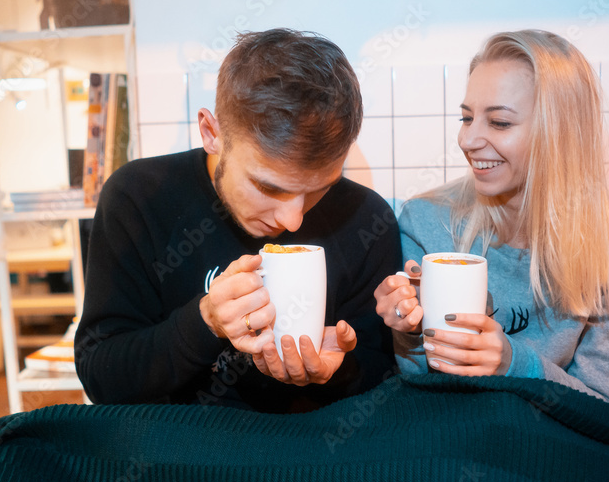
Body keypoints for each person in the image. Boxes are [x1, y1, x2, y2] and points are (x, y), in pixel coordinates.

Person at [76, 28, 400, 412]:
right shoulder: (139, 198)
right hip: (177, 458)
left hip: (311, 460)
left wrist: (339, 371)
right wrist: (205, 323)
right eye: (269, 187)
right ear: (212, 133)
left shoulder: (367, 219)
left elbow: (385, 385)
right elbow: (102, 377)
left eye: (319, 189)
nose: (293, 220)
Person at [374, 29, 609, 406]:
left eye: (499, 123)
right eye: (466, 117)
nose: (468, 140)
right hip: (446, 429)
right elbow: (418, 383)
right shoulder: (427, 220)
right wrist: (407, 331)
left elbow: (600, 409)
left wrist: (512, 362)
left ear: (559, 133)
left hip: (548, 443)